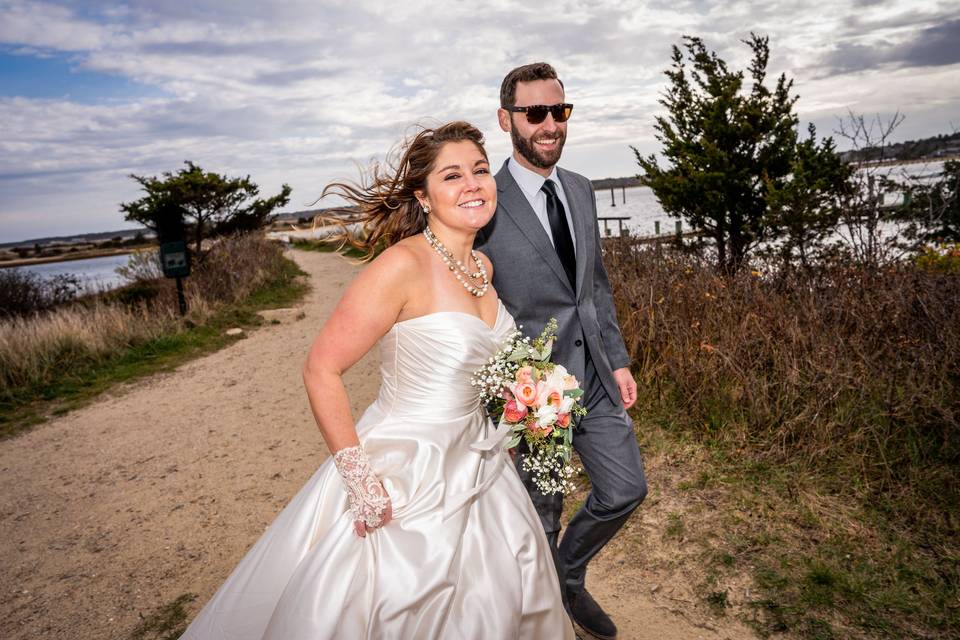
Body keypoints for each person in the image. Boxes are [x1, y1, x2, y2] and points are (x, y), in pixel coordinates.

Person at [179, 122, 574, 639]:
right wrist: (361, 481)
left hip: (482, 468)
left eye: (480, 170)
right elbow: (321, 368)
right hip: (409, 470)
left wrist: (527, 403)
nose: (473, 184)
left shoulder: (483, 266)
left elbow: (482, 367)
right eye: (452, 175)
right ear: (423, 195)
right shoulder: (399, 266)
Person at [475, 63, 648, 640]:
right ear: (507, 120)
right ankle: (549, 616)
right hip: (533, 394)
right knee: (540, 513)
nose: (550, 124)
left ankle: (566, 577)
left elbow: (594, 285)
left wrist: (618, 358)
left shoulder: (579, 187)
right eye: (535, 113)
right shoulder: (483, 202)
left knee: (626, 489)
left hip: (596, 374)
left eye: (560, 111)